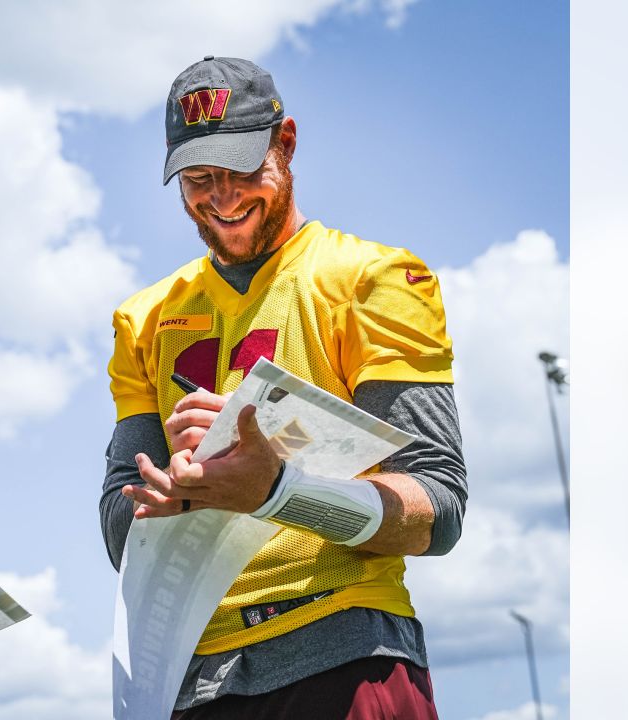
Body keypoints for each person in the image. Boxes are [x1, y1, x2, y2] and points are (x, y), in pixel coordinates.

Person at [100, 57, 467, 718]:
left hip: (344, 653)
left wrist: (279, 492)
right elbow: (118, 535)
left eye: (243, 171)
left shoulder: (374, 279)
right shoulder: (144, 318)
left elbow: (437, 508)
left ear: (287, 143)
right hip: (189, 676)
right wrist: (186, 483)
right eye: (198, 178)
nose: (223, 198)